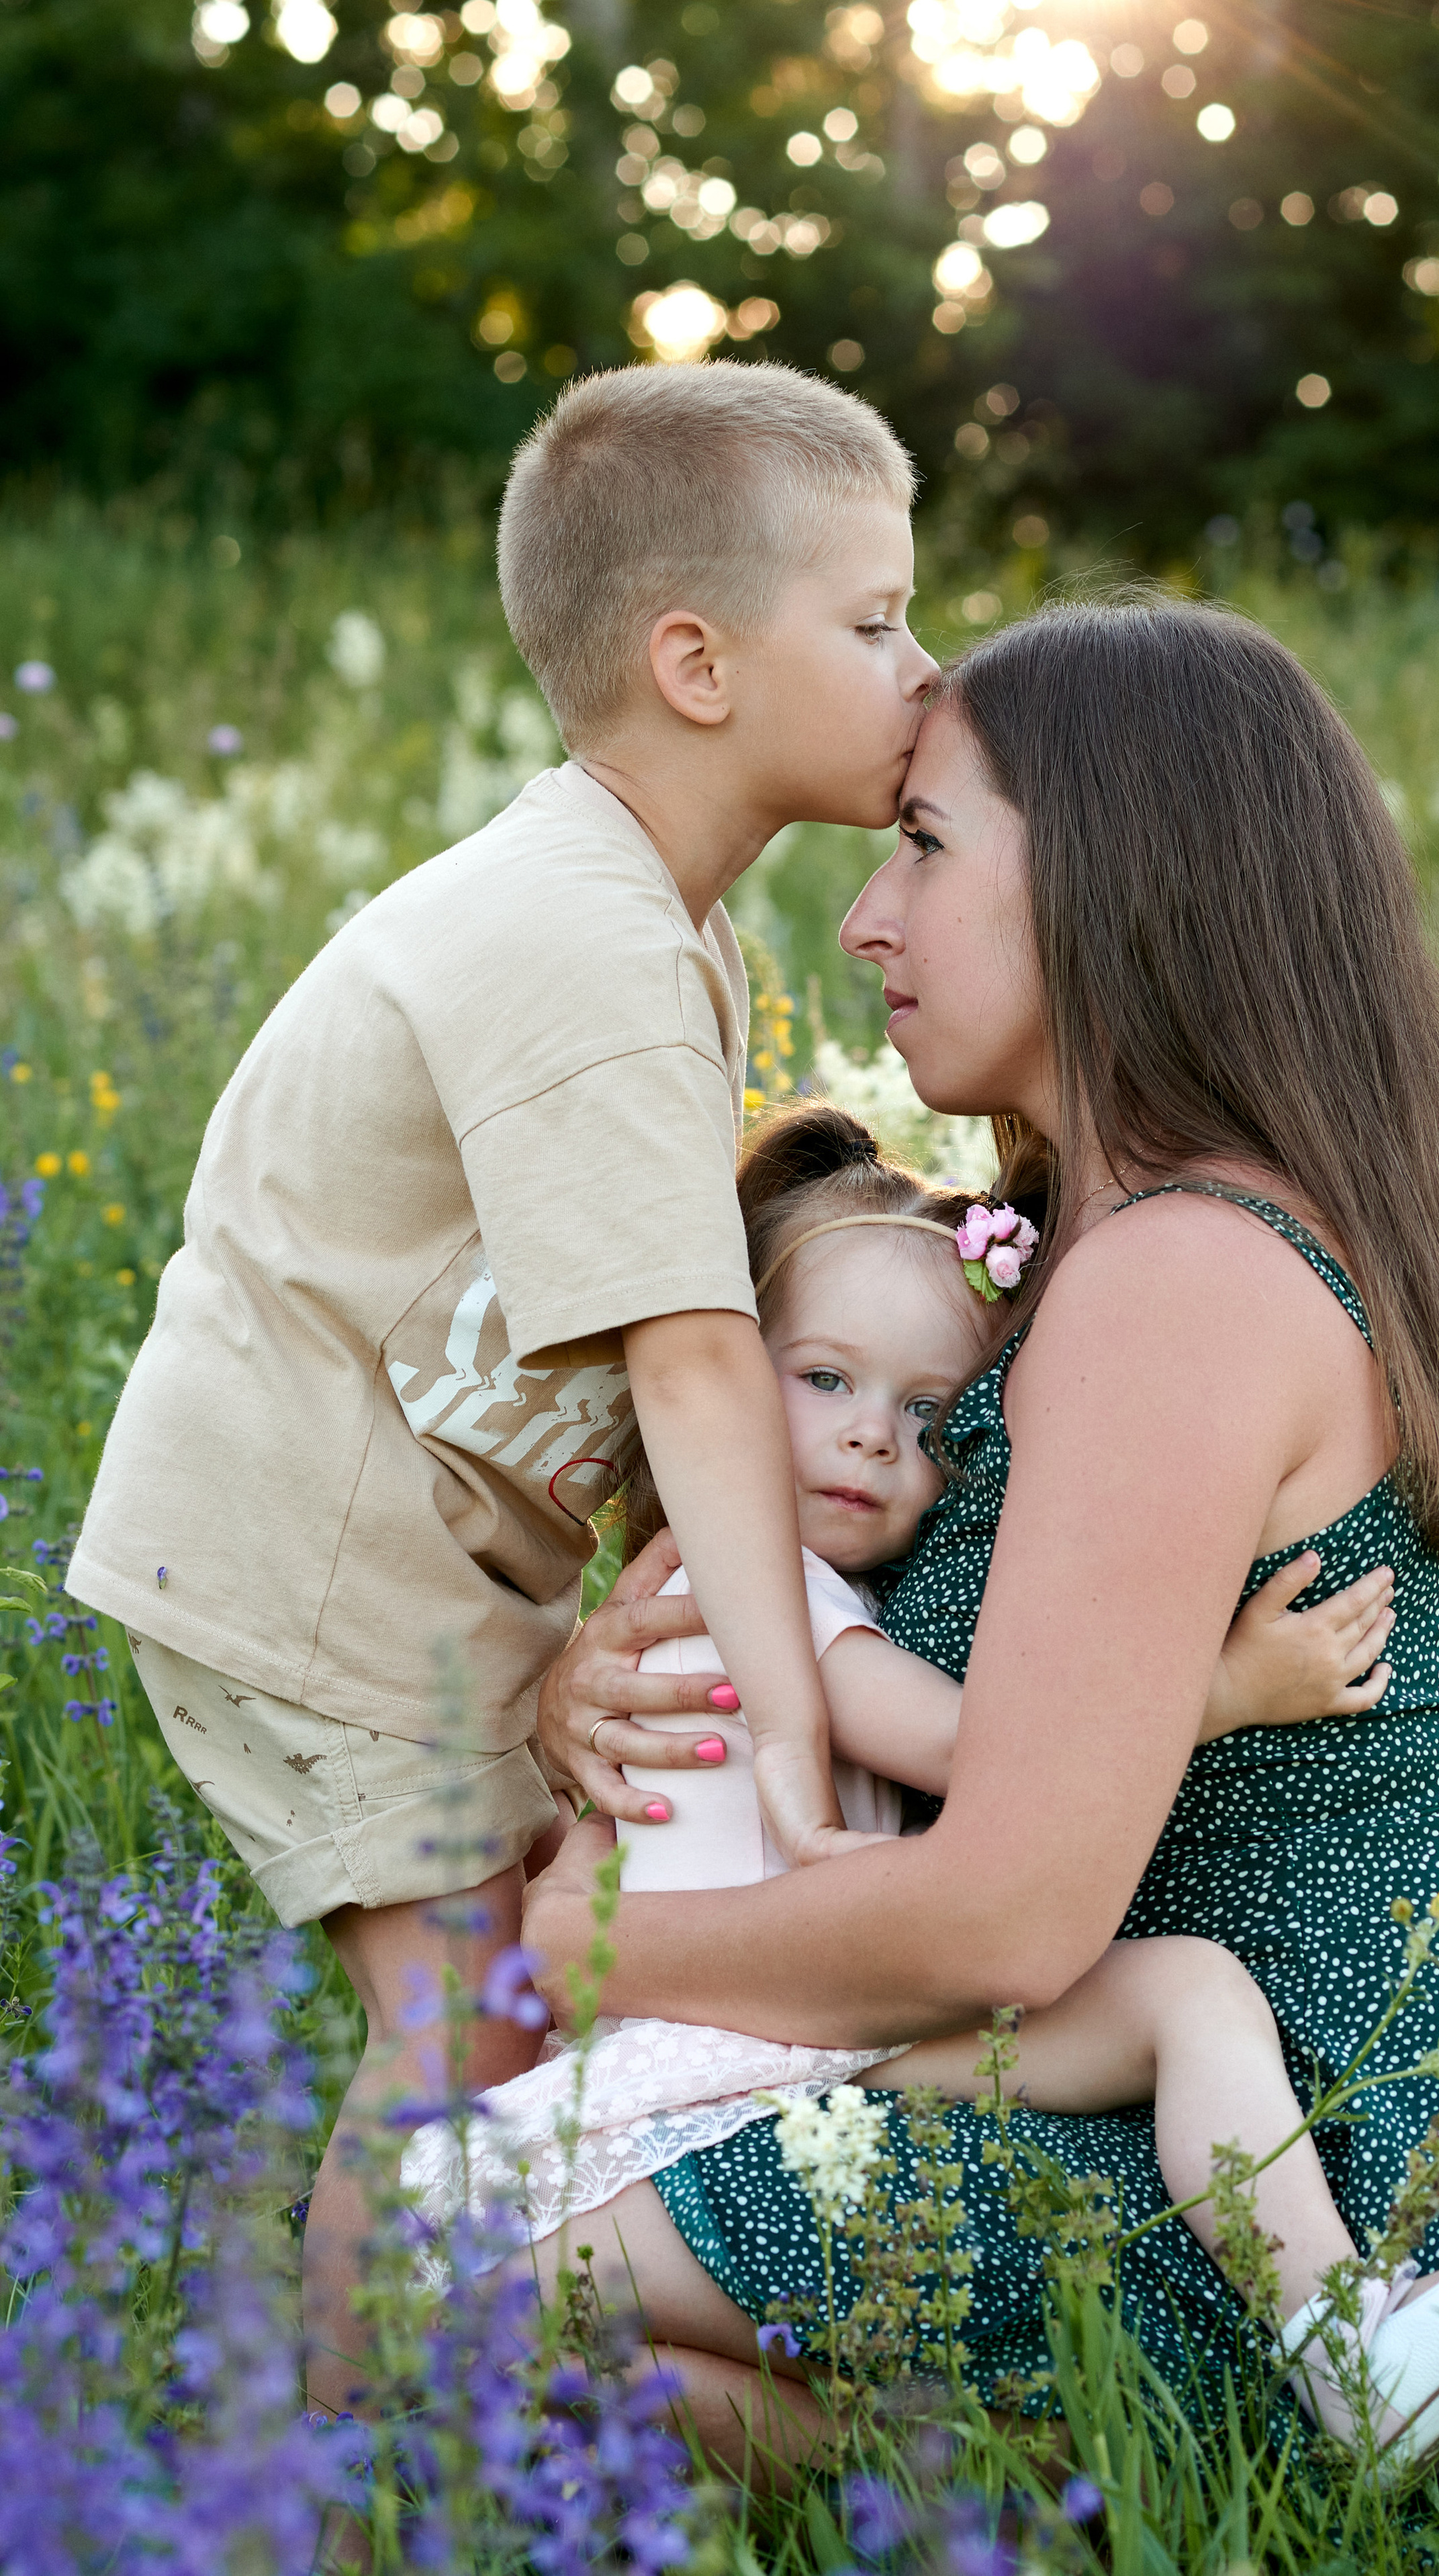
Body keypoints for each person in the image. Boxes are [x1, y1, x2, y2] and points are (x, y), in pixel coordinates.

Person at [521, 598, 1439, 2515]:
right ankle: (1099, 2491)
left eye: (922, 842)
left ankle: (1165, 2467)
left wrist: (595, 1953)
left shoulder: (1178, 1279)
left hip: (1310, 2143)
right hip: (1195, 2080)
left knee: (423, 2306)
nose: (867, 919)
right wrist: (595, 1684)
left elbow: (1006, 1916)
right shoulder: (1112, 1236)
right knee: (566, 2363)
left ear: (1115, 880)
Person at [63, 359, 939, 2414]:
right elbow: (696, 1357)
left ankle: (486, 2393)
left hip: (415, 1563)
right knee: (461, 2016)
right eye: (880, 619)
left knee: (511, 2010)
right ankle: (354, 2467)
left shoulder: (652, 919)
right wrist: (792, 1734)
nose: (928, 665)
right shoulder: (579, 934)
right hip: (308, 1563)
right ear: (696, 662)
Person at [416, 1105, 1439, 2466]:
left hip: (772, 2025)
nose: (870, 1440)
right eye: (822, 1380)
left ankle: (1026, 2446)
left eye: (923, 1415)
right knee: (1187, 1993)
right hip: (734, 2049)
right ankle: (1338, 2343)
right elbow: (984, 1749)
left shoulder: (811, 1589)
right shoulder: (753, 1588)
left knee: (1176, 2005)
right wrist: (1224, 1690)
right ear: (724, 1384)